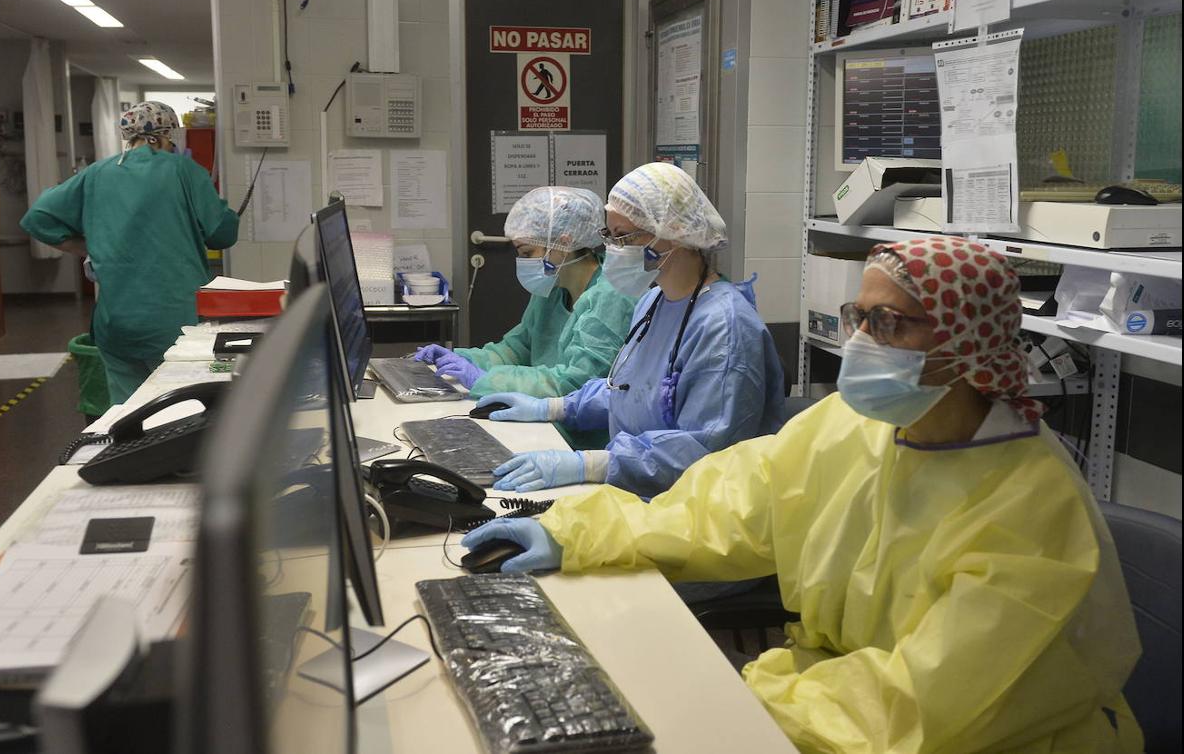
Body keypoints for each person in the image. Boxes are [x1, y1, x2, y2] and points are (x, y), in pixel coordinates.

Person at [462, 236, 1143, 753]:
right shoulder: (856, 428)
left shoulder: (1030, 506)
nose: (861, 343)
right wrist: (575, 533)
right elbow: (728, 505)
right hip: (835, 711)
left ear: (968, 345)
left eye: (892, 324)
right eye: (860, 318)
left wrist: (748, 697)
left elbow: (923, 704)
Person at [475, 162, 785, 498]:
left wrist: (593, 465)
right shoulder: (652, 301)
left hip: (694, 509)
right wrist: (556, 407)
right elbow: (629, 389)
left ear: (674, 233)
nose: (614, 249)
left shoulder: (724, 328)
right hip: (639, 489)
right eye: (611, 236)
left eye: (625, 236)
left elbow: (706, 451)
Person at [21, 102, 239, 403]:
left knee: (128, 418)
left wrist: (90, 247)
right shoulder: (183, 170)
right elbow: (223, 234)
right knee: (182, 413)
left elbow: (37, 219)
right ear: (168, 134)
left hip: (117, 324)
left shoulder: (96, 173)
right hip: (175, 323)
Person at [413, 187, 635, 403]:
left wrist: (485, 379)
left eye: (528, 253)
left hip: (578, 431)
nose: (525, 262)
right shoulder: (553, 287)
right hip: (541, 412)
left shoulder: (611, 296)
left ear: (564, 242)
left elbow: (574, 383)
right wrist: (463, 358)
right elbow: (517, 348)